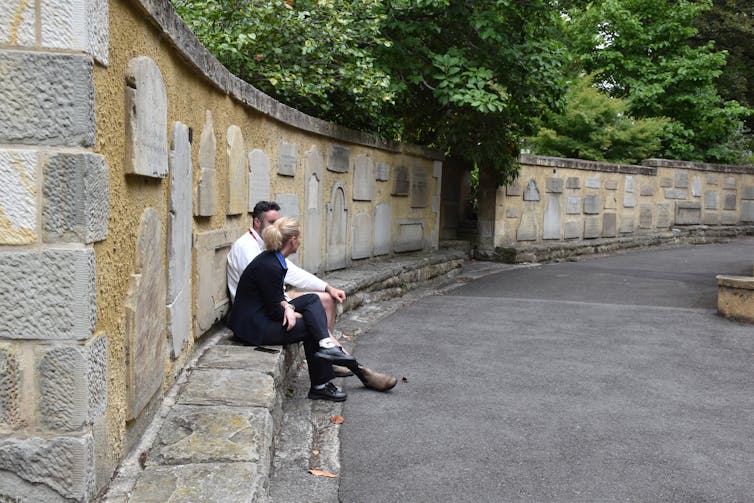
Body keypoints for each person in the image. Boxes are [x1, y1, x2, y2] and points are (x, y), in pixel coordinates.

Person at [226, 217, 397, 401]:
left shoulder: (273, 259)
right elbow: (275, 309)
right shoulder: (270, 266)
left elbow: (276, 299)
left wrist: (289, 306)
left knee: (313, 300)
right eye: (299, 237)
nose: (300, 241)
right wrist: (288, 309)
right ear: (292, 240)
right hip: (253, 327)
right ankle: (321, 385)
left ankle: (327, 345)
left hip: (262, 314)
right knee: (310, 327)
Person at [227, 201, 346, 350]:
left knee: (327, 299)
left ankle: (330, 351)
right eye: (271, 223)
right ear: (257, 222)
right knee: (313, 319)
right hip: (258, 310)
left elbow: (294, 273)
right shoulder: (246, 247)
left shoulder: (267, 247)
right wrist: (288, 307)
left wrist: (328, 287)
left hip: (274, 299)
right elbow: (267, 294)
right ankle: (337, 354)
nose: (276, 227)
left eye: (277, 222)